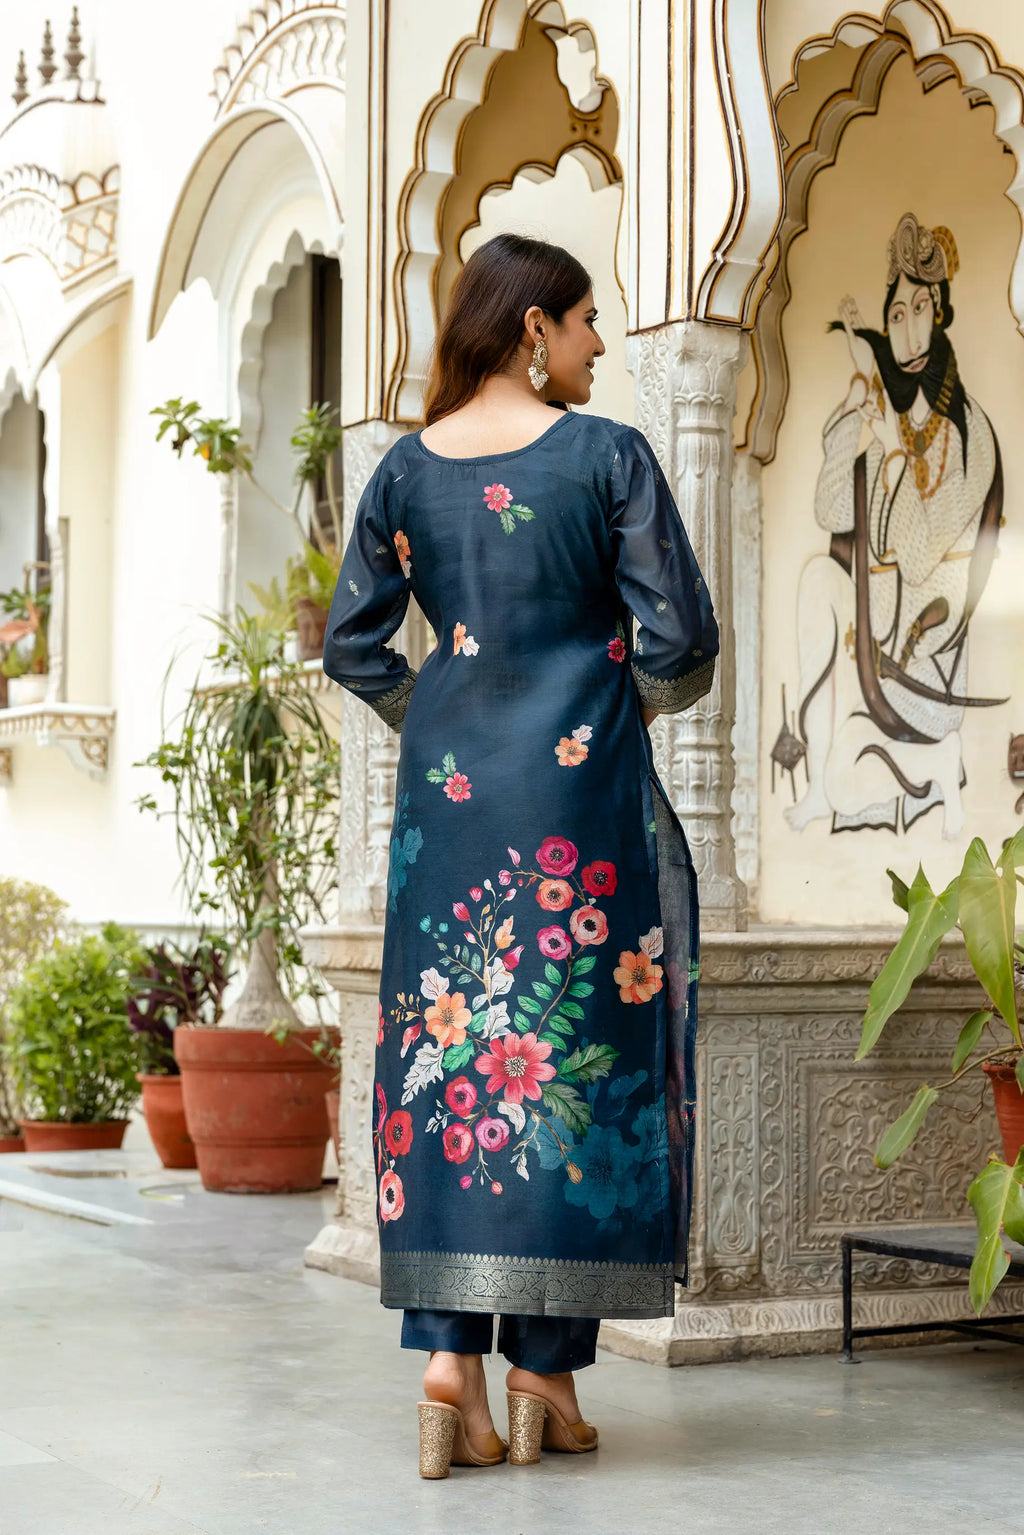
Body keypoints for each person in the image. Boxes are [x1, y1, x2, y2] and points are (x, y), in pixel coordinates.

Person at [323, 233, 718, 1478]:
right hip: (577, 814)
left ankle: (452, 1366)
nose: (601, 344)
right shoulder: (609, 459)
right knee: (570, 1054)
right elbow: (684, 641)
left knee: (450, 1054)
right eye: (590, 321)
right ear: (536, 327)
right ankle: (546, 1370)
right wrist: (601, 709)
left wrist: (441, 708)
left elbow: (353, 644)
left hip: (447, 817)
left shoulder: (402, 471)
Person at [786, 212, 1002, 840]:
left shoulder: (970, 434)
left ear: (941, 313)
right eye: (896, 315)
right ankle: (824, 790)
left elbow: (920, 551)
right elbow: (831, 513)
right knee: (815, 582)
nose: (907, 330)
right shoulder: (887, 415)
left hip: (923, 643)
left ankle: (930, 762)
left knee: (847, 779)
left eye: (919, 309)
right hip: (871, 613)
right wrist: (854, 429)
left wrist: (893, 456)